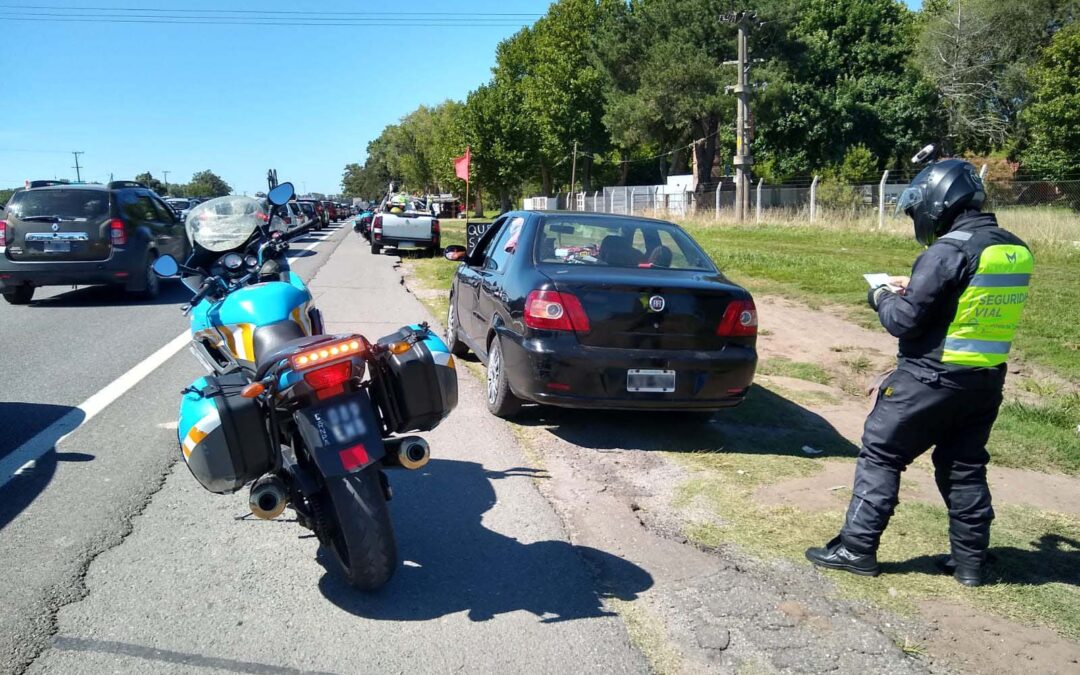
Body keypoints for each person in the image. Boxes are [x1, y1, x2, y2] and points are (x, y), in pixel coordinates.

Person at [805, 157, 1033, 587]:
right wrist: (921, 291)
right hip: (983, 381)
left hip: (928, 378)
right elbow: (969, 300)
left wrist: (881, 296)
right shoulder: (1011, 248)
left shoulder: (947, 250)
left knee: (881, 452)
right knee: (964, 467)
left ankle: (856, 548)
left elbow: (904, 322)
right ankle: (970, 563)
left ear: (938, 200)